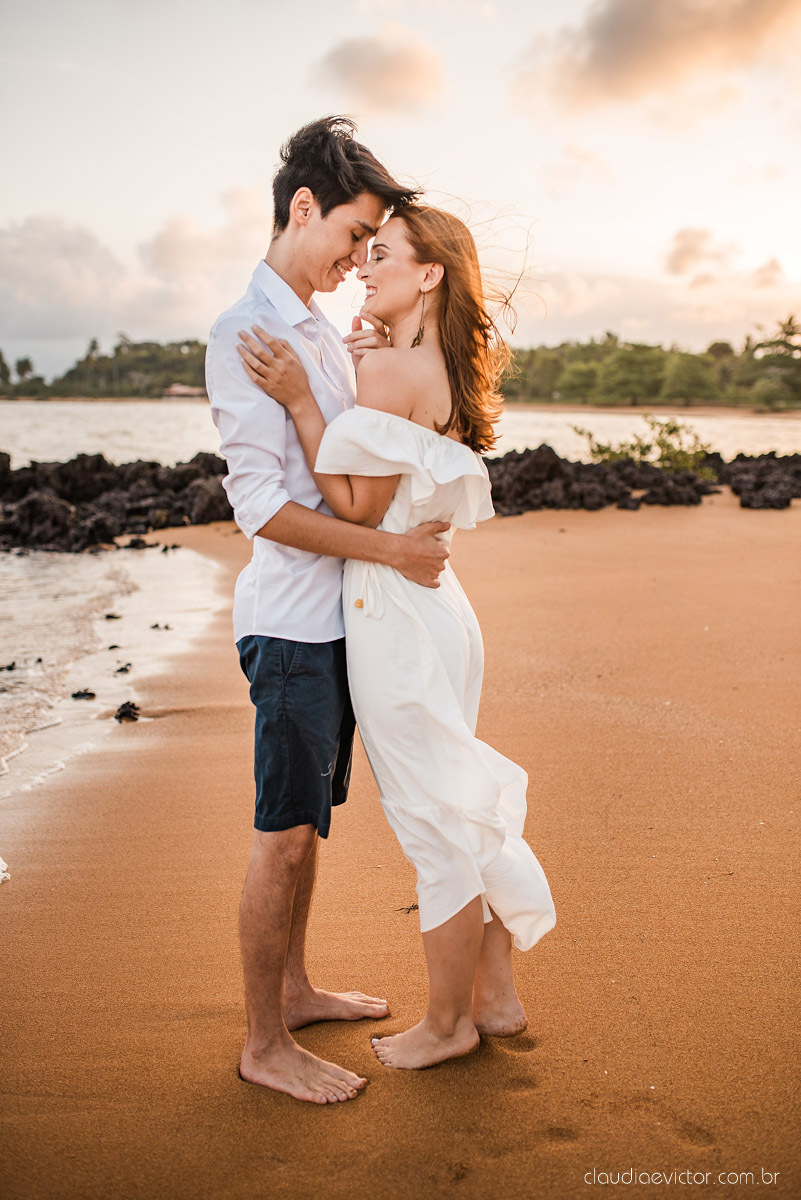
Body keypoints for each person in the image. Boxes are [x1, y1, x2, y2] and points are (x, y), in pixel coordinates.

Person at [237, 204, 557, 1072]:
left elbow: (354, 507)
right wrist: (351, 374)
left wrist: (306, 399)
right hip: (439, 604)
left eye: (382, 255)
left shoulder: (389, 374)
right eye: (362, 248)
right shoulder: (428, 364)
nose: (364, 266)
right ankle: (493, 998)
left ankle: (447, 1023)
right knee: (455, 797)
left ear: (429, 275)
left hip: (391, 608)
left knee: (430, 818)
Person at [206, 118, 451, 1105]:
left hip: (337, 619)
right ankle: (264, 1042)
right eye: (354, 233)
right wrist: (390, 548)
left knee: (311, 823)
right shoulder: (247, 331)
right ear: (303, 208)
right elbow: (262, 506)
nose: (359, 257)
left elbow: (351, 456)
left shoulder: (316, 329)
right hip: (292, 625)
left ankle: (297, 989)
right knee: (284, 831)